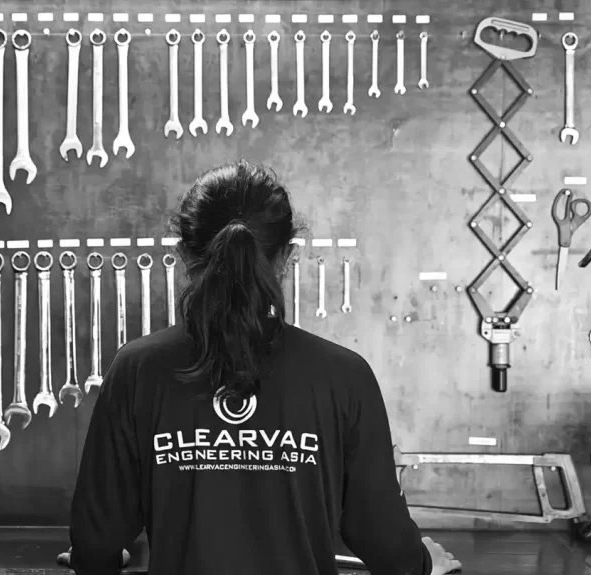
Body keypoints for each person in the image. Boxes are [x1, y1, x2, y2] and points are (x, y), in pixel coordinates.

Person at [63, 159, 462, 575]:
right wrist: (422, 564)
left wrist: (104, 555)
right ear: (287, 256)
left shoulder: (137, 369)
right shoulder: (344, 375)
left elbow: (94, 540)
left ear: (182, 255)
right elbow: (380, 536)